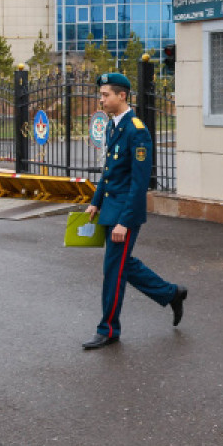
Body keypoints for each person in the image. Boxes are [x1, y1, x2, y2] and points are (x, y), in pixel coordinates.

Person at [82, 73, 187, 350]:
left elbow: (139, 183)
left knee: (113, 271)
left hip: (124, 214)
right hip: (110, 208)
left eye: (106, 95)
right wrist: (96, 201)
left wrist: (124, 223)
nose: (101, 99)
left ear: (122, 96)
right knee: (122, 265)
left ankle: (108, 330)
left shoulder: (136, 130)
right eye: (101, 94)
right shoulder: (112, 127)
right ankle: (171, 293)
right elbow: (109, 170)